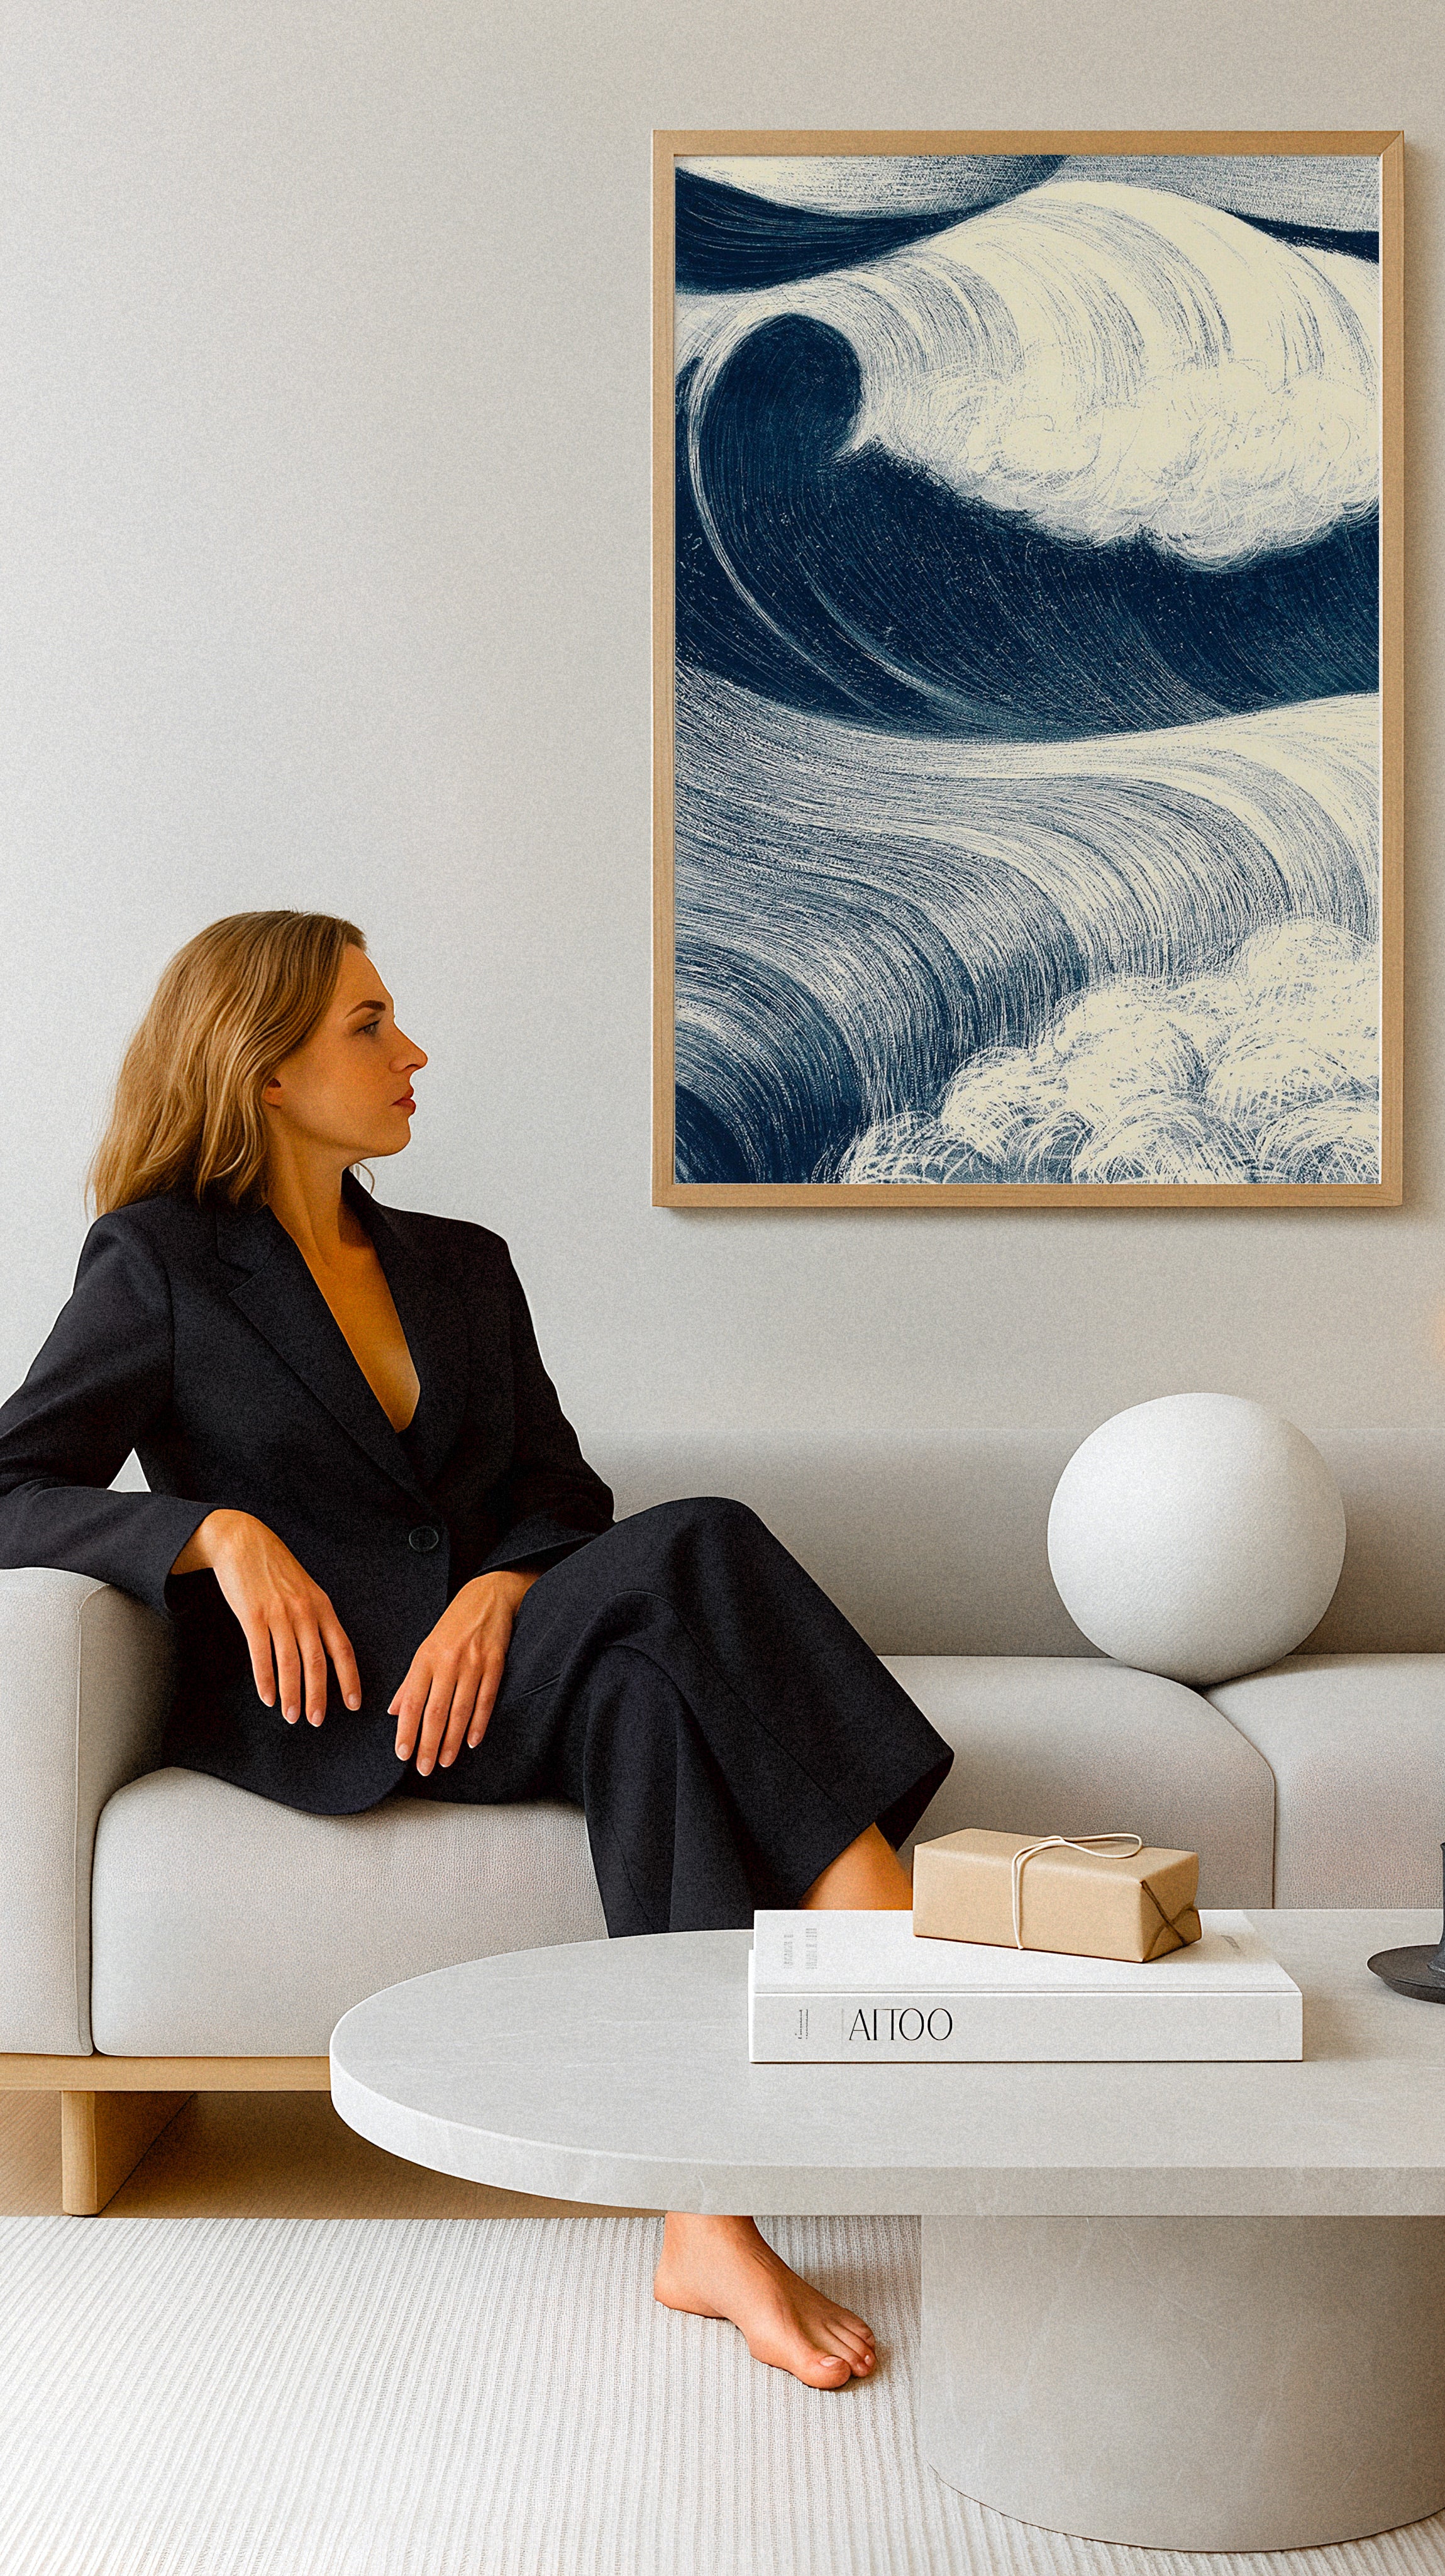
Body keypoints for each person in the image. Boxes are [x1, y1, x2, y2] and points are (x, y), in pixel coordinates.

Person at [0, 910, 953, 2389]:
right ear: (262, 1066)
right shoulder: (163, 1263)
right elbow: (11, 1486)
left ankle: (704, 2214)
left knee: (643, 1685)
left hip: (488, 1667)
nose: (412, 1050)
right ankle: (875, 1913)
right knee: (704, 1537)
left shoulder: (462, 1264)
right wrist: (213, 1535)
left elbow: (558, 1493)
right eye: (368, 1023)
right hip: (330, 1701)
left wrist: (503, 1589)